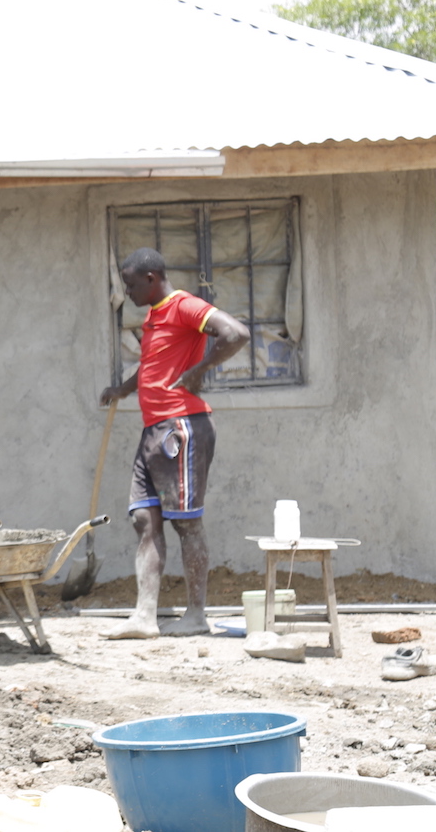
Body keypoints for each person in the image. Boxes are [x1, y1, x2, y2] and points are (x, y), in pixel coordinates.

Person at [99, 247, 249, 640]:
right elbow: (153, 367)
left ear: (151, 279)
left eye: (131, 285)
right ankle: (145, 617)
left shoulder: (184, 306)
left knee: (186, 524)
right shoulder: (154, 317)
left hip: (179, 429)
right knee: (144, 519)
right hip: (154, 429)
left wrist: (199, 371)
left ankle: (196, 614)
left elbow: (236, 334)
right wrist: (122, 389)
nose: (128, 293)